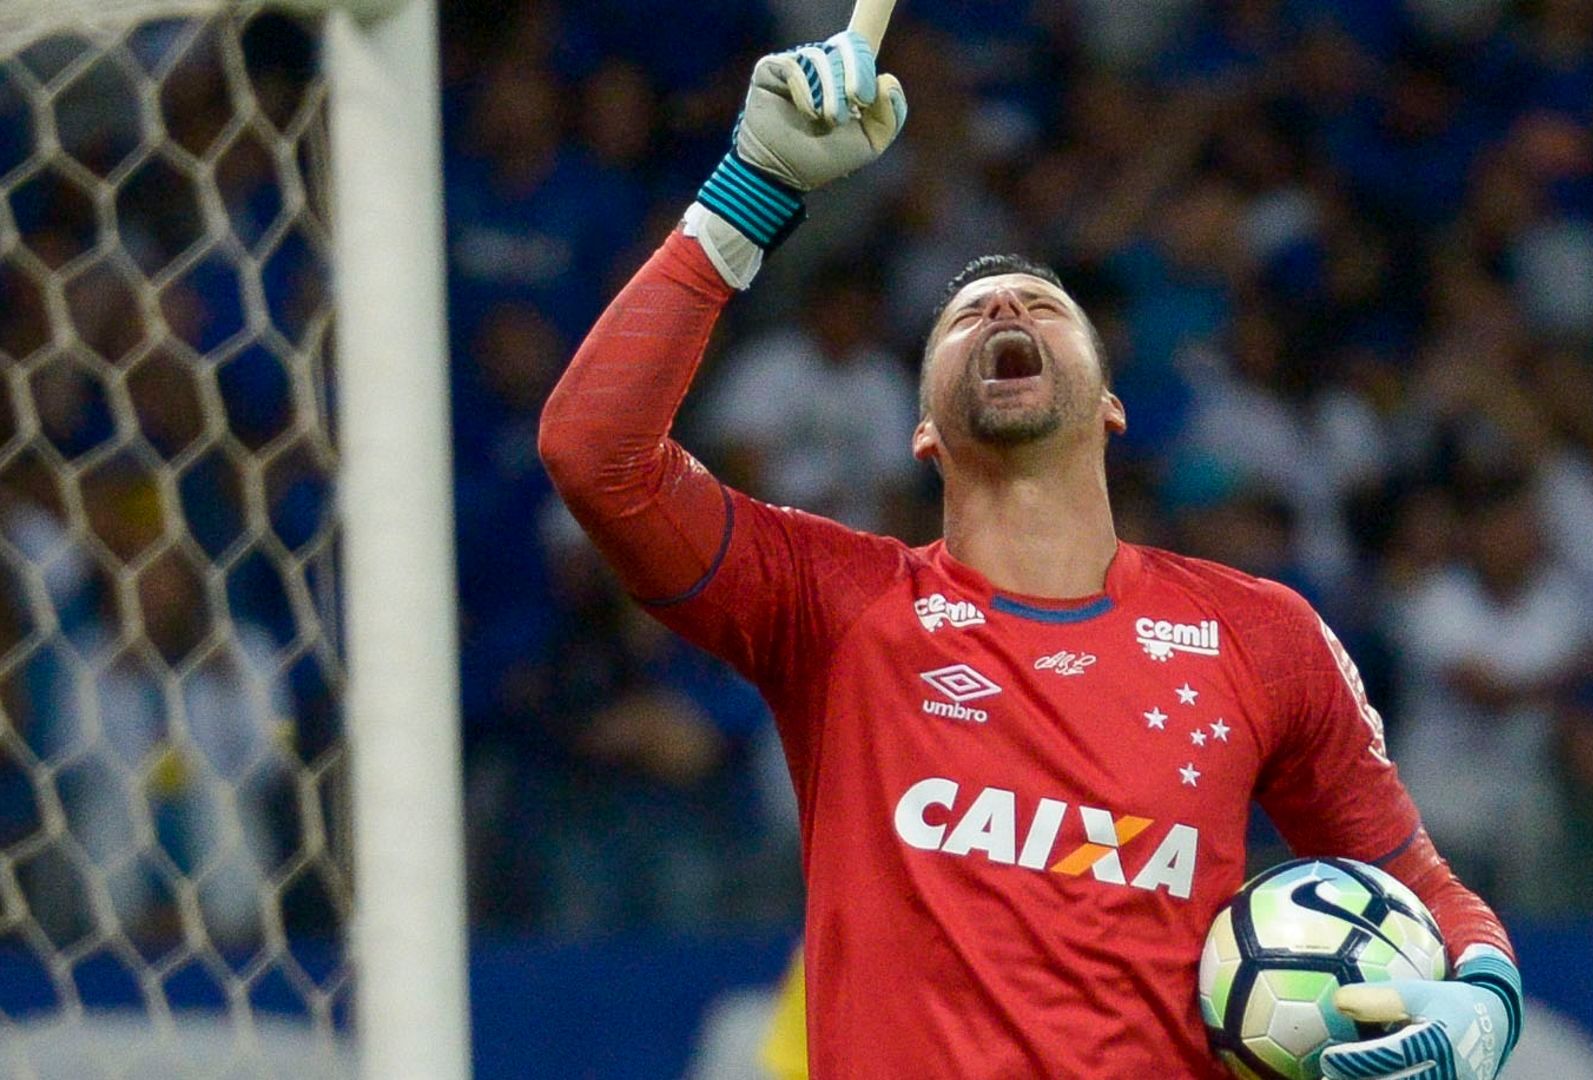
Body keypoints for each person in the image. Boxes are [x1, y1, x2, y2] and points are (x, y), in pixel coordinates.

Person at [540, 32, 1522, 1079]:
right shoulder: (836, 607)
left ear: (1109, 405)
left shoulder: (1262, 635)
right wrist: (756, 185)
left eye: (1043, 307)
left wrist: (1485, 1000)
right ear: (923, 428)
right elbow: (595, 455)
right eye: (967, 318)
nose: (1005, 305)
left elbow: (1414, 876)